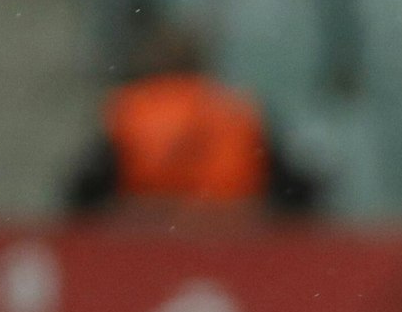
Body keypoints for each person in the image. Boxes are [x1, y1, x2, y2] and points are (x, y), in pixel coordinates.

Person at [64, 21, 320, 215]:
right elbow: (292, 189)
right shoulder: (239, 110)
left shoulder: (128, 110)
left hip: (146, 237)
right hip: (232, 236)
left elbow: (85, 191)